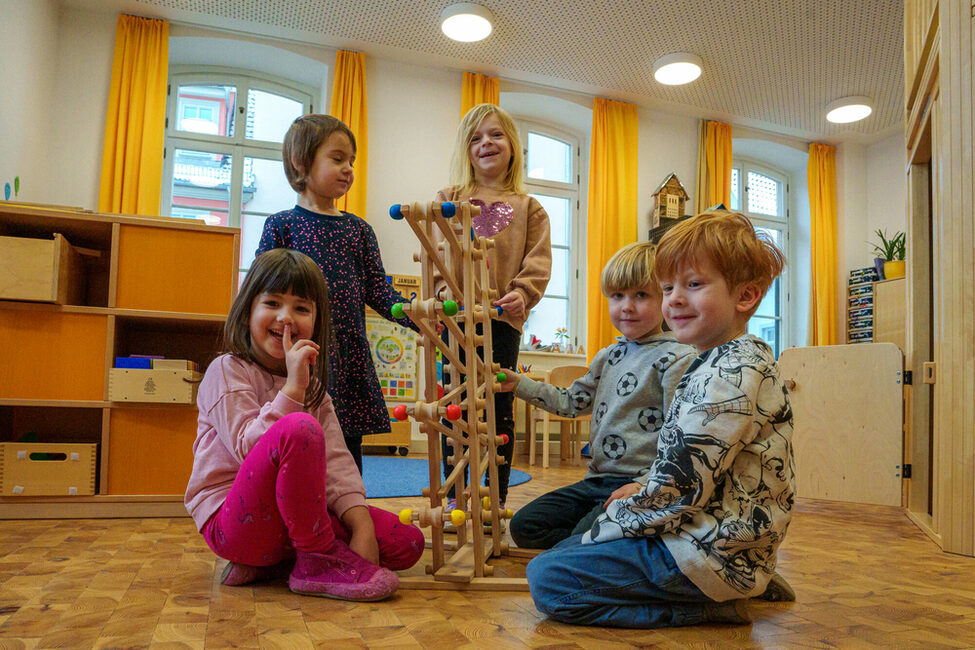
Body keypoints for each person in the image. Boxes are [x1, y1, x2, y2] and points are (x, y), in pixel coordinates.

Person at [525, 209, 796, 628]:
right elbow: (685, 474)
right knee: (564, 550)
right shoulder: (723, 362)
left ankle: (709, 604)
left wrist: (613, 521)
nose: (675, 299)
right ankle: (736, 585)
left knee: (548, 577)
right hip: (707, 537)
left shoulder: (729, 375)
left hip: (711, 552)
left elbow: (679, 487)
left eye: (694, 285)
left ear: (744, 296)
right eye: (668, 287)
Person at [184, 248, 424, 601]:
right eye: (272, 303)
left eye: (301, 308)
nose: (286, 318)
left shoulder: (312, 388)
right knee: (299, 428)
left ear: (316, 320)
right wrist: (293, 389)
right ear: (248, 309)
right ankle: (316, 559)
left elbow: (339, 464)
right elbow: (246, 448)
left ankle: (282, 561)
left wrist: (361, 528)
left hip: (289, 521)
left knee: (407, 542)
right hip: (233, 523)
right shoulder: (227, 369)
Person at [499, 242, 695, 549]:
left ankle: (600, 543)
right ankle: (601, 543)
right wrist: (519, 384)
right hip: (595, 482)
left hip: (639, 485)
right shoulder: (608, 356)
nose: (626, 306)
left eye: (641, 295)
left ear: (667, 298)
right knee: (525, 527)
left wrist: (644, 485)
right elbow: (569, 402)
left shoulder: (677, 357)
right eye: (617, 296)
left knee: (581, 537)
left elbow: (681, 437)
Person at [257, 114, 416, 474]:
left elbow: (379, 289)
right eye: (337, 158)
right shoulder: (281, 225)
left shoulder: (360, 230)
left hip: (348, 356)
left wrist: (418, 315)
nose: (348, 169)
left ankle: (350, 517)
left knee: (346, 448)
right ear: (301, 162)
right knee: (296, 440)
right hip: (298, 355)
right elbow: (262, 288)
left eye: (352, 162)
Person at [435, 103, 552, 510]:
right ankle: (454, 498)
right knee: (456, 407)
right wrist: (446, 293)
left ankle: (494, 499)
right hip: (457, 323)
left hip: (503, 322)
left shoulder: (529, 207)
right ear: (466, 151)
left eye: (496, 135)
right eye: (476, 137)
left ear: (513, 146)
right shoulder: (448, 200)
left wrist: (522, 292)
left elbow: (538, 262)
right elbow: (435, 254)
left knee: (499, 410)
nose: (486, 143)